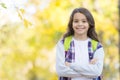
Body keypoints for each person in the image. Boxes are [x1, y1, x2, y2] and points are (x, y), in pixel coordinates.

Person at [56, 7, 104, 80]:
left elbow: (97, 72)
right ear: (71, 24)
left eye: (84, 21)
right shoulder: (63, 44)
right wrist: (88, 70)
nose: (80, 24)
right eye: (76, 21)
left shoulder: (97, 46)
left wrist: (71, 65)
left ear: (89, 24)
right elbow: (60, 71)